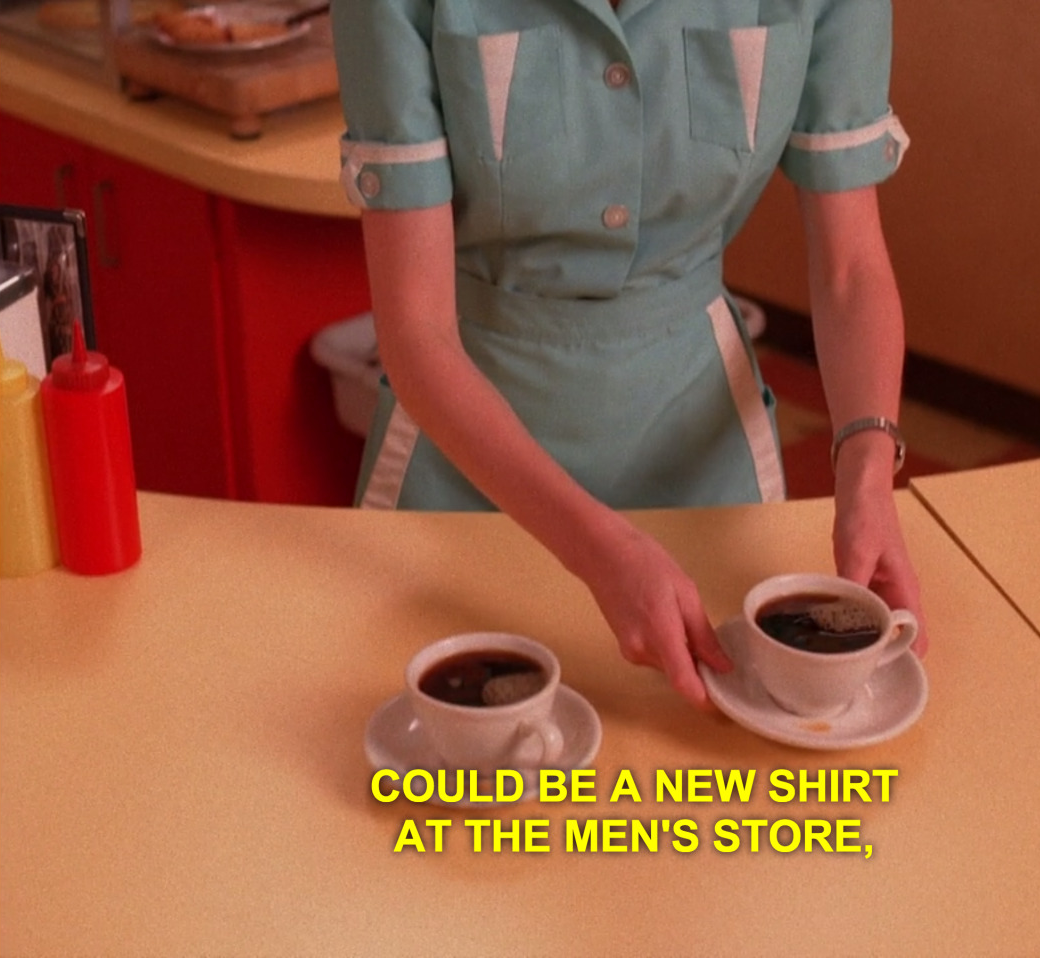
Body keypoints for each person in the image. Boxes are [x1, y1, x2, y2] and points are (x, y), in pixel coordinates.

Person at [331, 0, 927, 709]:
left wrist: (867, 471)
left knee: (714, 774)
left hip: (706, 476)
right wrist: (600, 552)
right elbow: (416, 330)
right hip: (459, 481)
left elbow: (850, 270)